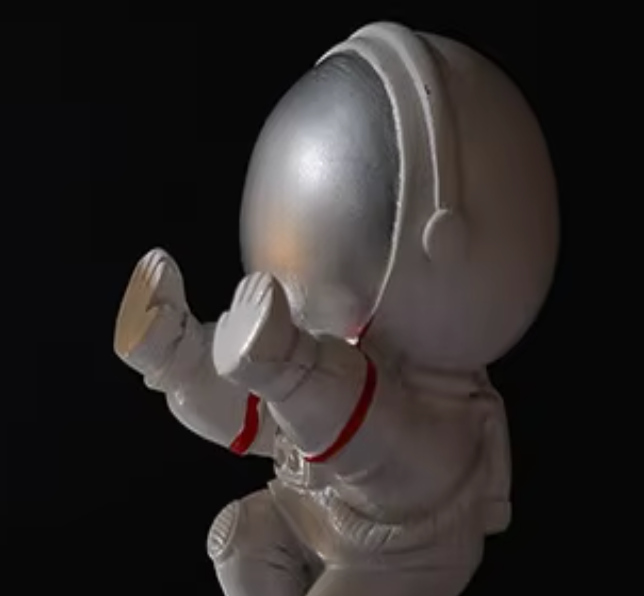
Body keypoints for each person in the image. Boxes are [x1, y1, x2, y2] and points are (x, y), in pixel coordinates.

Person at [114, 22, 556, 596]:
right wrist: (181, 362)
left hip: (405, 549)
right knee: (242, 537)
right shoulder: (324, 355)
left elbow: (371, 442)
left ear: (443, 240)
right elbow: (259, 419)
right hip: (315, 507)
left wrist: (289, 367)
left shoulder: (446, 417)